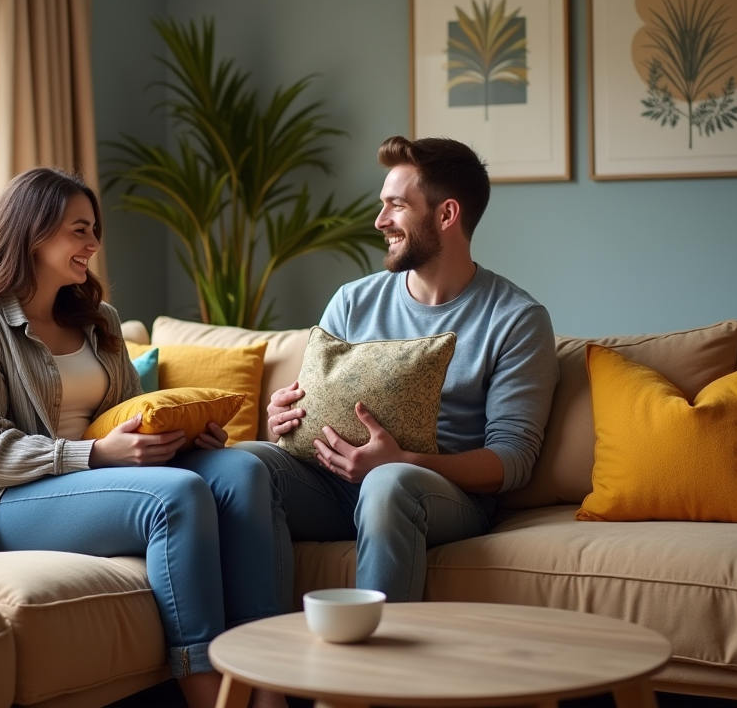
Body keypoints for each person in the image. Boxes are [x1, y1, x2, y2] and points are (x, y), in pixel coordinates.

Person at [0, 167, 286, 708]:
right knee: (177, 496)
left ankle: (261, 676)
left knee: (243, 470)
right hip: (7, 499)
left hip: (107, 477)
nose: (94, 244)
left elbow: (128, 414)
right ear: (34, 231)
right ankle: (205, 688)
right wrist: (95, 454)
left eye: (93, 230)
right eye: (80, 230)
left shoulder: (99, 319)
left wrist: (184, 438)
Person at [236, 135, 559, 603]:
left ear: (447, 215)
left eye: (396, 206)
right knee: (246, 463)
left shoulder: (516, 319)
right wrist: (285, 417)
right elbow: (309, 398)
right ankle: (263, 661)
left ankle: (376, 674)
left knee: (388, 483)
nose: (380, 221)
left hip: (437, 492)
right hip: (333, 483)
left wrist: (402, 462)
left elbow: (512, 461)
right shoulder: (353, 300)